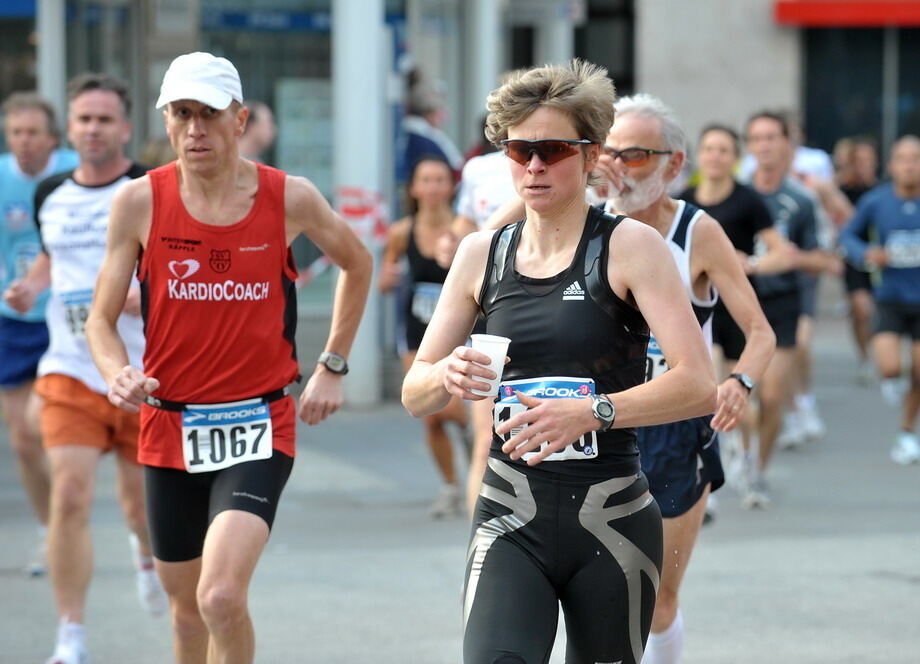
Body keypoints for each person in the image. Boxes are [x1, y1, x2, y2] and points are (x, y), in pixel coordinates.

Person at [402, 60, 717, 664]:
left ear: (592, 155)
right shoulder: (480, 255)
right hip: (509, 513)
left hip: (612, 518)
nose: (535, 166)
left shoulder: (630, 247)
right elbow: (415, 391)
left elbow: (699, 384)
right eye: (520, 152)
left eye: (551, 149)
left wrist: (592, 411)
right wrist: (444, 374)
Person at [85, 52, 372, 664]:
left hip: (259, 424)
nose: (195, 130)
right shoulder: (139, 202)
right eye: (182, 114)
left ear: (239, 121)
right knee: (187, 616)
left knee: (219, 598)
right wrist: (118, 373)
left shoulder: (288, 196)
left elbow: (357, 261)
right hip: (168, 425)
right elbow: (100, 321)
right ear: (166, 121)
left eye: (210, 115)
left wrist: (333, 364)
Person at [596, 95, 775, 664]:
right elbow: (491, 243)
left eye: (637, 155)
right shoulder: (583, 221)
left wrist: (740, 382)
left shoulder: (697, 231)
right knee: (593, 591)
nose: (620, 167)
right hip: (590, 420)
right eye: (610, 153)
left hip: (674, 426)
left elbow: (759, 331)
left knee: (657, 596)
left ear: (674, 165)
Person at [3, 72, 165, 664]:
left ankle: (146, 555)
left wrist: (138, 293)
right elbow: (54, 256)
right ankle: (70, 634)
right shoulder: (50, 192)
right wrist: (31, 287)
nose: (92, 129)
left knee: (137, 508)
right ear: (68, 129)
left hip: (140, 374)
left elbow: (180, 270)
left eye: (104, 119)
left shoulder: (148, 190)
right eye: (83, 119)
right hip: (69, 367)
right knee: (69, 495)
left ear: (124, 127)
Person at [681, 124, 797, 496]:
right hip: (694, 308)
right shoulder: (683, 201)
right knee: (706, 386)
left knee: (736, 392)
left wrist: (749, 265)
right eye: (709, 148)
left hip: (735, 305)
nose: (715, 156)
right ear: (698, 155)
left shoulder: (747, 201)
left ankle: (746, 457)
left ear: (735, 158)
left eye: (724, 150)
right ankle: (705, 465)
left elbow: (782, 253)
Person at [743, 111, 840, 505]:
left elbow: (826, 259)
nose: (764, 146)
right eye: (757, 138)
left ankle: (758, 471)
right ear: (749, 147)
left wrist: (791, 257)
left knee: (771, 397)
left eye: (771, 138)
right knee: (736, 396)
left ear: (787, 144)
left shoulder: (800, 200)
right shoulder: (736, 195)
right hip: (737, 303)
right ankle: (740, 454)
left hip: (782, 302)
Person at [0, 92, 78, 576]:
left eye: (32, 133)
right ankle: (51, 529)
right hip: (12, 317)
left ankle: (72, 523)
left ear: (53, 138)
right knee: (23, 438)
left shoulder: (72, 174)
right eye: (15, 133)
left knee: (52, 427)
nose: (24, 142)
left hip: (64, 316)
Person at [379, 155, 469, 518]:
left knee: (455, 408)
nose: (432, 187)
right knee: (431, 413)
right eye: (425, 180)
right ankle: (450, 486)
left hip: (462, 332)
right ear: (414, 189)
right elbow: (386, 276)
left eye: (439, 180)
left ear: (450, 186)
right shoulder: (402, 232)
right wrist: (385, 280)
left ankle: (475, 440)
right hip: (416, 332)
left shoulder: (465, 230)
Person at [840, 135, 920, 464]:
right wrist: (867, 253)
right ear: (892, 165)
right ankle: (892, 381)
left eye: (915, 158)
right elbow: (848, 235)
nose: (909, 165)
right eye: (903, 158)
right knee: (889, 367)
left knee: (919, 370)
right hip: (889, 297)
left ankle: (905, 430)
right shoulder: (877, 201)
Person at [835, 136, 880, 383]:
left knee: (877, 310)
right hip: (853, 258)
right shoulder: (841, 191)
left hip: (883, 258)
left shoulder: (883, 190)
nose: (863, 165)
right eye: (858, 160)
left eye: (868, 160)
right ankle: (865, 357)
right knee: (861, 309)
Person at [397, 76, 463, 184]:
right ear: (430, 113)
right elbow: (456, 166)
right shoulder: (428, 139)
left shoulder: (410, 133)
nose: (445, 116)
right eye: (440, 110)